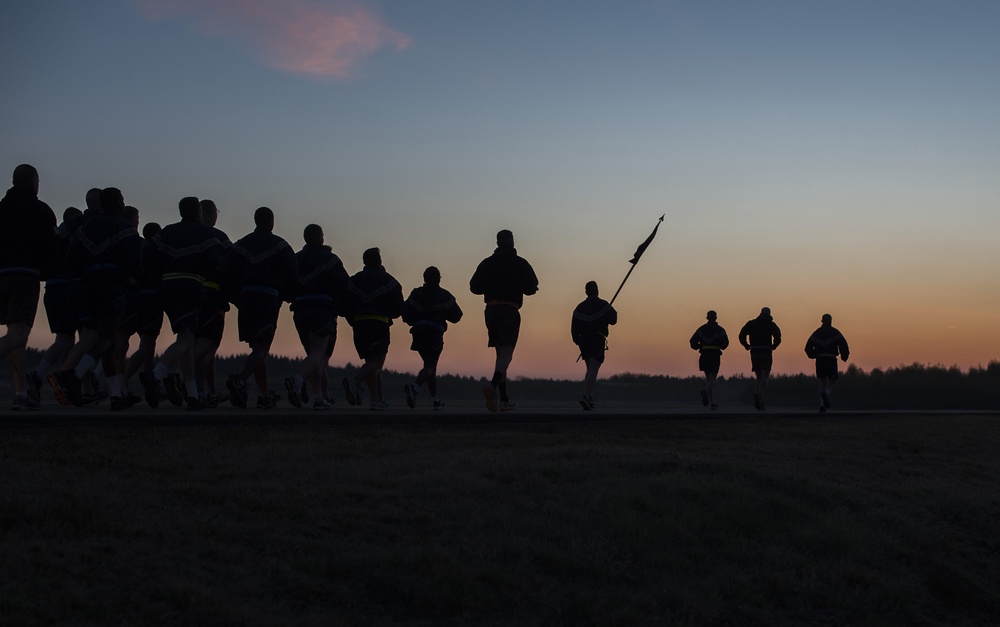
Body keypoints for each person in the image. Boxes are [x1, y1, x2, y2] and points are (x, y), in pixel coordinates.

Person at [50, 187, 141, 409]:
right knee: (107, 338)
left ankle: (117, 395)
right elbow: (134, 261)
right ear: (119, 202)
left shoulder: (85, 228)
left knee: (105, 342)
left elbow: (71, 258)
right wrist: (133, 280)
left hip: (88, 287)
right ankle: (75, 375)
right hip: (113, 286)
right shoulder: (125, 228)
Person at [140, 197, 225, 410]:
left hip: (167, 287)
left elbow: (147, 255)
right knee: (187, 340)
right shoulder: (207, 234)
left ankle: (193, 395)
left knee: (185, 337)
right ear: (198, 211)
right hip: (191, 286)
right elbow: (216, 261)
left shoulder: (167, 232)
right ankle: (157, 374)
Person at [222, 207, 297, 409]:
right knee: (262, 348)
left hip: (246, 299)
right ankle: (241, 379)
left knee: (258, 349)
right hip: (268, 299)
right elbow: (293, 273)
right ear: (271, 222)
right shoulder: (280, 245)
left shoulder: (240, 245)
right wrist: (289, 297)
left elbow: (227, 272)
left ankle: (264, 395)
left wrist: (235, 297)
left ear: (255, 221)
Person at [0, 164, 57, 410]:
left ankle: (20, 393)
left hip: (1, 275)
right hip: (25, 275)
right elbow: (52, 246)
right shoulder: (41, 210)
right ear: (34, 182)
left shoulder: (1, 208)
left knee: (17, 337)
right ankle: (21, 392)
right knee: (19, 335)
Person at [470, 229, 538, 413]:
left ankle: (504, 400)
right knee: (507, 353)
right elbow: (533, 287)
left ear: (498, 242)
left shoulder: (487, 263)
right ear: (512, 242)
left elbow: (474, 287)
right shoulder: (520, 263)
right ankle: (492, 387)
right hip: (510, 309)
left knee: (500, 356)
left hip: (491, 310)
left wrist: (490, 286)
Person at [285, 224, 349, 410]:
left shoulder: (295, 259)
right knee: (318, 355)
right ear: (321, 237)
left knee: (312, 356)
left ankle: (318, 397)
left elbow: (288, 283)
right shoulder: (330, 259)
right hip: (321, 309)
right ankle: (297, 380)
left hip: (300, 310)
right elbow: (344, 285)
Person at [29, 206, 83, 407]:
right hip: (68, 287)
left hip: (51, 289)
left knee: (64, 339)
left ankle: (57, 383)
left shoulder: (54, 236)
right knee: (79, 339)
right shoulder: (74, 236)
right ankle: (50, 377)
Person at [341, 247, 403, 411]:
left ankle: (376, 400)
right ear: (380, 260)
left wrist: (352, 319)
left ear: (364, 261)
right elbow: (398, 308)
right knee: (376, 362)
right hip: (379, 324)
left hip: (359, 325)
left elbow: (343, 304)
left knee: (371, 363)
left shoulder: (352, 281)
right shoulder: (390, 281)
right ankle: (355, 382)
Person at [402, 266, 463, 410]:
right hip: (434, 334)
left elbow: (405, 313)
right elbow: (457, 316)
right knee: (430, 366)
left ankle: (436, 401)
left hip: (418, 333)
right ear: (439, 279)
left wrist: (414, 320)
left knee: (430, 367)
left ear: (424, 278)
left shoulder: (415, 294)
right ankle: (415, 387)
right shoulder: (445, 296)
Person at [192, 199, 232, 406]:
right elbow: (232, 263)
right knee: (206, 345)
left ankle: (208, 391)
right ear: (210, 214)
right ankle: (191, 384)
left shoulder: (187, 234)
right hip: (212, 296)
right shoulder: (218, 237)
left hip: (189, 294)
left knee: (205, 347)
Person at [571, 280, 617, 410]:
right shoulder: (603, 305)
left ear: (586, 291)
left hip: (583, 341)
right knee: (593, 369)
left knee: (589, 368)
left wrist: (578, 341)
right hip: (597, 338)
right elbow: (614, 320)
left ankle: (589, 397)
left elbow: (573, 328)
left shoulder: (579, 308)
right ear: (597, 290)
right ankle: (586, 396)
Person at [804, 313, 850, 413]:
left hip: (820, 359)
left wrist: (813, 355)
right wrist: (844, 356)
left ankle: (821, 406)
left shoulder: (816, 333)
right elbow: (843, 344)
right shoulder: (835, 332)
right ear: (831, 321)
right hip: (831, 359)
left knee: (822, 382)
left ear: (822, 321)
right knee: (833, 381)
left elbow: (808, 347)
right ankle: (827, 393)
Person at [738, 307, 781, 411]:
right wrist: (774, 346)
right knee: (765, 377)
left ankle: (757, 395)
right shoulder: (772, 325)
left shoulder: (752, 323)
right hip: (766, 352)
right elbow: (778, 337)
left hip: (755, 352)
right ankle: (760, 396)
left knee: (758, 377)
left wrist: (746, 345)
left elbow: (741, 335)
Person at [689, 310, 729, 410]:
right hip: (714, 356)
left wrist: (699, 346)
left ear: (707, 318)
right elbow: (725, 344)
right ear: (716, 318)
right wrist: (718, 345)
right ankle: (706, 393)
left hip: (704, 356)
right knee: (712, 379)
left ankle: (711, 402)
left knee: (708, 379)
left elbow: (692, 342)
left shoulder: (701, 329)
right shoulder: (720, 330)